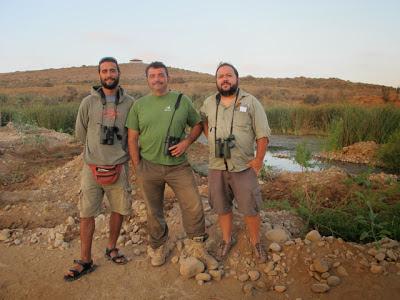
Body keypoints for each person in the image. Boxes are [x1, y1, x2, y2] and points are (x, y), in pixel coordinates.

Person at [126, 61, 217, 269]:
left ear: (168, 77)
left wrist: (186, 142)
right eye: (153, 76)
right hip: (148, 166)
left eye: (161, 75)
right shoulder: (139, 105)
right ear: (148, 80)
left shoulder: (182, 100)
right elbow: (132, 138)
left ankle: (197, 246)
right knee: (153, 210)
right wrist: (137, 166)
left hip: (178, 167)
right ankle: (158, 246)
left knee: (193, 204)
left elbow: (197, 124)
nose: (157, 79)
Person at [64, 57, 135, 281]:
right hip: (91, 168)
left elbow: (134, 134)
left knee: (119, 210)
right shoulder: (88, 102)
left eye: (112, 70)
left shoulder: (130, 103)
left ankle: (111, 247)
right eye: (104, 71)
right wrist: (95, 154)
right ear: (99, 75)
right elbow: (80, 134)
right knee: (86, 213)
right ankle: (85, 259)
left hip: (119, 167)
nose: (109, 74)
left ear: (119, 73)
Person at [200, 62, 271, 263]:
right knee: (222, 207)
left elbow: (263, 134)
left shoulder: (251, 102)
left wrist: (258, 161)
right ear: (216, 80)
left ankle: (256, 242)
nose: (225, 79)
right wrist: (210, 137)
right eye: (220, 76)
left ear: (237, 78)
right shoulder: (209, 103)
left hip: (243, 166)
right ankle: (226, 239)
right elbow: (202, 120)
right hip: (216, 165)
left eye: (229, 75)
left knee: (250, 208)